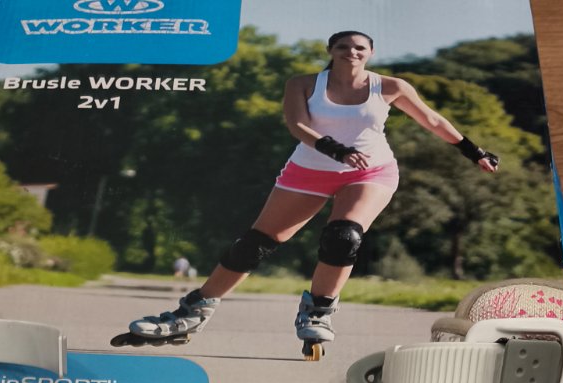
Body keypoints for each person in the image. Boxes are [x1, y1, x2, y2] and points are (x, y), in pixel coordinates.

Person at [124, 30, 499, 354]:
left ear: (370, 53)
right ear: (331, 51)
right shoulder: (302, 83)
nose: (351, 52)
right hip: (308, 171)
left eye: (360, 48)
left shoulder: (390, 86)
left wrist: (474, 151)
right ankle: (192, 312)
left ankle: (318, 311)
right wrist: (335, 149)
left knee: (343, 236)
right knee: (253, 245)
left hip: (370, 172)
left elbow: (431, 119)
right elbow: (297, 124)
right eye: (343, 47)